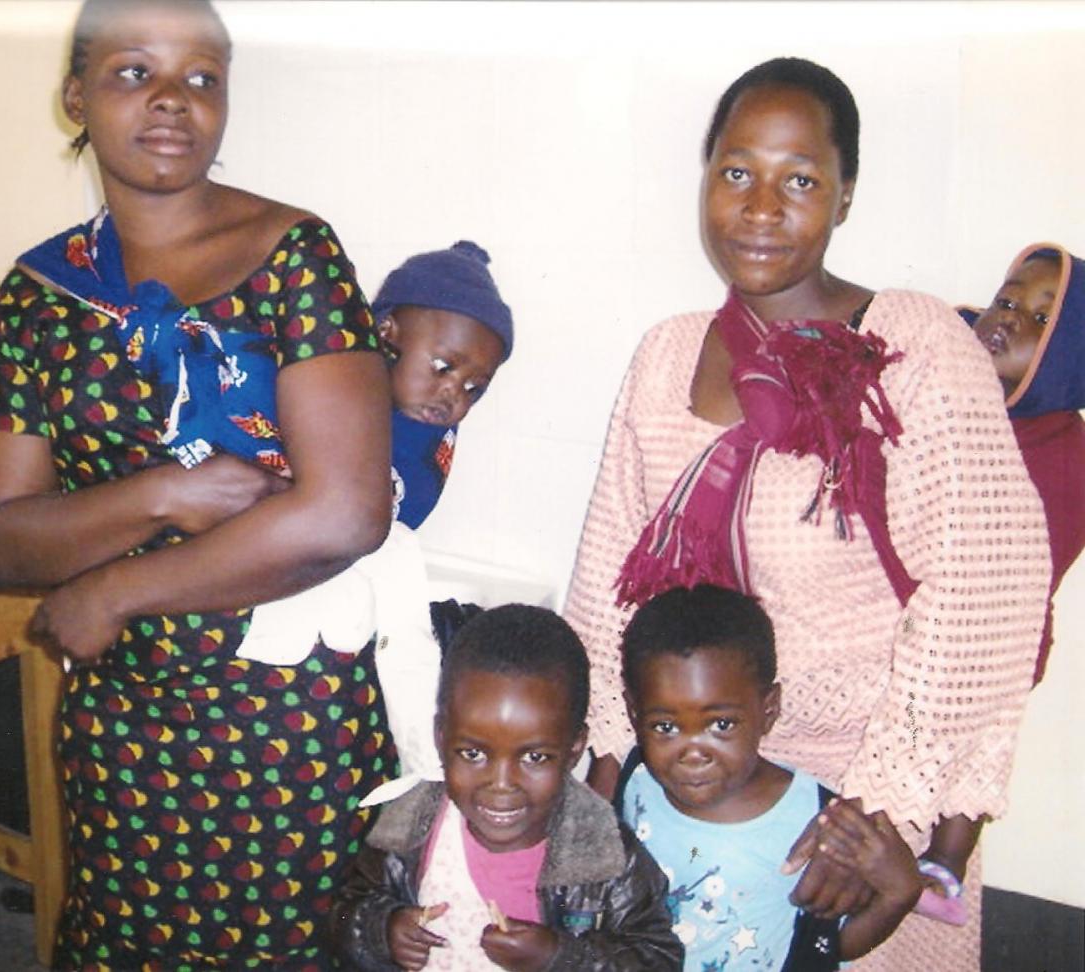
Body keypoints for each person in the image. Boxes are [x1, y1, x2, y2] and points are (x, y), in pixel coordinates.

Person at [562, 56, 1049, 969]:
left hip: (861, 791)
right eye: (737, 172)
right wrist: (601, 782)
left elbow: (988, 585)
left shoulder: (912, 343)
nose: (760, 207)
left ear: (846, 196)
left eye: (801, 180)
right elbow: (605, 588)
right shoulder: (666, 356)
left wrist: (881, 808)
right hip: (688, 774)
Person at [0, 1, 396, 968]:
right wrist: (161, 494)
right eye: (132, 72)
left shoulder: (297, 258)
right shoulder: (40, 296)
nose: (172, 99)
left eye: (203, 76)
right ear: (76, 95)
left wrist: (115, 586)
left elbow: (345, 511)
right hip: (124, 719)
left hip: (288, 723)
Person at [234, 240, 513, 786]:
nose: (452, 393)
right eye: (442, 366)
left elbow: (396, 505)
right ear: (386, 334)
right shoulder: (330, 382)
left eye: (473, 388)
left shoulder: (423, 429)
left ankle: (420, 766)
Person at [328, 604, 683, 971]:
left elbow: (657, 960)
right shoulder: (410, 823)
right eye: (472, 753)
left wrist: (559, 958)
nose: (500, 785)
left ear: (574, 748)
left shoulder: (606, 855)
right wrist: (381, 931)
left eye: (534, 758)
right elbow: (345, 910)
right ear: (441, 737)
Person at [618, 585, 921, 969]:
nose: (693, 753)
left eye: (721, 724)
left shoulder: (812, 818)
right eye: (665, 727)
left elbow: (833, 943)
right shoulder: (635, 782)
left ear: (769, 709)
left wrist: (900, 892)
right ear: (633, 714)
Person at [961, 243, 1085, 686]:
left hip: (985, 657)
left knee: (915, 739)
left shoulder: (1064, 451)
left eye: (1043, 319)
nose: (1010, 318)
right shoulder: (944, 393)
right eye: (1006, 301)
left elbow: (1016, 573)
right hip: (889, 629)